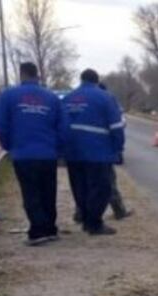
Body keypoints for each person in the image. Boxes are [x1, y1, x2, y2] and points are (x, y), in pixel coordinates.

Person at [0, 62, 64, 246]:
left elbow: (1, 125)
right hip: (48, 154)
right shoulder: (52, 97)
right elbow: (63, 126)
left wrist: (8, 146)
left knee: (31, 193)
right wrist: (58, 148)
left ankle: (38, 231)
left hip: (23, 153)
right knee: (48, 192)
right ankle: (50, 229)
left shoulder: (8, 96)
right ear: (37, 75)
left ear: (21, 74)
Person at [63, 69, 125, 236]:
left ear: (81, 79)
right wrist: (118, 149)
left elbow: (60, 125)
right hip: (97, 152)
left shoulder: (68, 98)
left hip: (73, 153)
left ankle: (84, 219)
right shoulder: (105, 97)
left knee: (80, 188)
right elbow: (116, 127)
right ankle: (94, 224)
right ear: (97, 81)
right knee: (101, 188)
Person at [72, 83, 131, 222]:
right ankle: (118, 210)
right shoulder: (108, 101)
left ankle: (80, 213)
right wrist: (117, 150)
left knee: (83, 185)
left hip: (79, 151)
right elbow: (118, 125)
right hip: (101, 152)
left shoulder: (81, 103)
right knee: (107, 183)